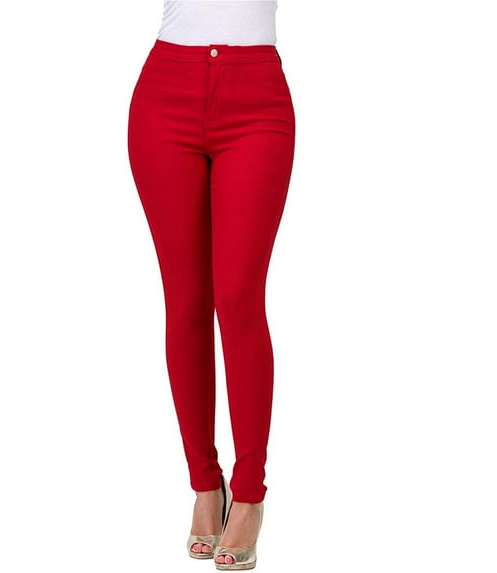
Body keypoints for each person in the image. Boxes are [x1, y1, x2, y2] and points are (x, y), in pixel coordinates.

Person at [127, 0, 295, 569]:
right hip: (165, 91)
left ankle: (249, 493)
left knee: (239, 298)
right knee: (186, 303)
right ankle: (205, 484)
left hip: (257, 99)